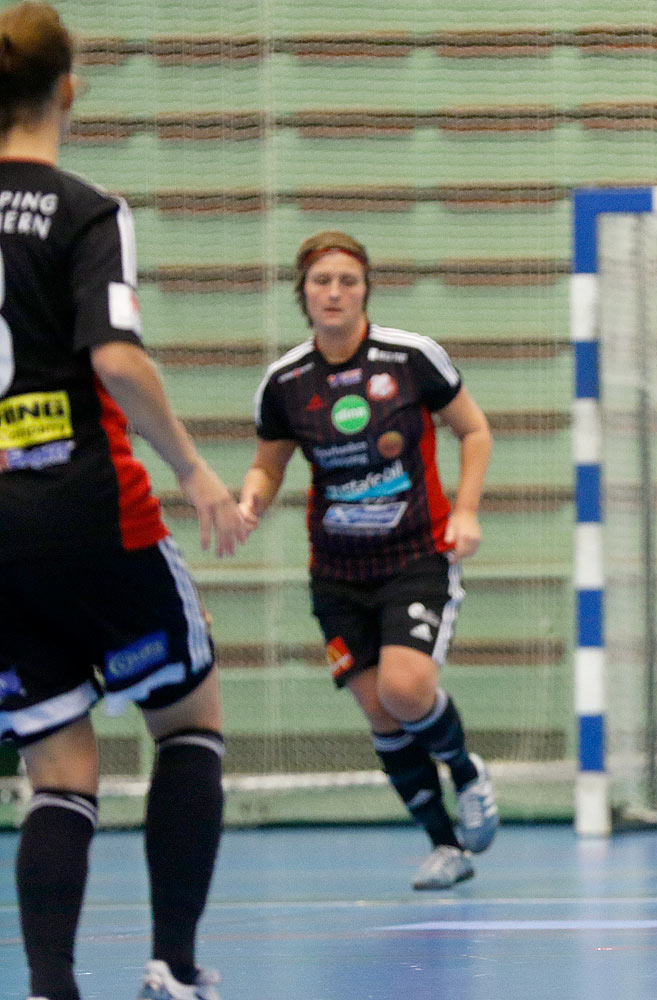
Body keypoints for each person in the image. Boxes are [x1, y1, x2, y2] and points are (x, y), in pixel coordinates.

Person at [0, 4, 252, 998]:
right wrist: (193, 469)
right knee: (189, 717)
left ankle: (53, 986)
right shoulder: (84, 210)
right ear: (68, 89)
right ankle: (174, 965)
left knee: (56, 768)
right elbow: (115, 357)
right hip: (94, 514)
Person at [240, 230, 497, 891]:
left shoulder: (411, 358)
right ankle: (445, 845)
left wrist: (465, 511)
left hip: (414, 556)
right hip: (335, 573)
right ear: (303, 292)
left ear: (365, 290)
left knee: (405, 691)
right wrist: (246, 505)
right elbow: (267, 469)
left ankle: (467, 773)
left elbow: (473, 430)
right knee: (379, 712)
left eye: (347, 281)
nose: (334, 292)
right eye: (322, 281)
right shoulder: (285, 382)